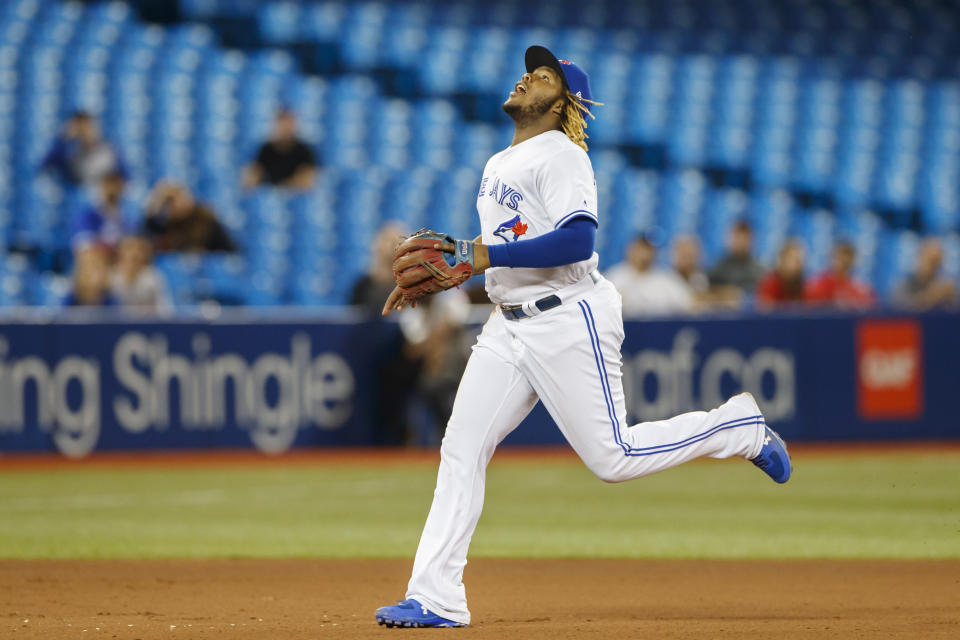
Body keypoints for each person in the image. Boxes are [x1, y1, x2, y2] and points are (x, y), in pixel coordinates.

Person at [374, 46, 791, 629]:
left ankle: (738, 427)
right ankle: (437, 596)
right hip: (507, 325)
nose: (526, 77)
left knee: (614, 457)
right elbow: (508, 251)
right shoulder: (499, 163)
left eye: (542, 76)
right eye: (528, 70)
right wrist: (450, 275)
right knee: (461, 448)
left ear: (562, 104)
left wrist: (480, 253)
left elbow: (578, 243)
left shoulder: (564, 155)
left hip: (568, 317)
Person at [604, 235, 695, 316]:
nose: (644, 254)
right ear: (630, 250)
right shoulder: (615, 276)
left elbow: (688, 301)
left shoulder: (664, 279)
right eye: (640, 249)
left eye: (647, 250)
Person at [142, 180, 235, 253]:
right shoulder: (160, 221)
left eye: (177, 198)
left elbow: (227, 250)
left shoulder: (204, 219)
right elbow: (144, 242)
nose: (174, 204)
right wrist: (155, 210)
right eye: (168, 201)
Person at [40, 111, 126, 188]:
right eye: (80, 128)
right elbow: (46, 165)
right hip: (72, 197)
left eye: (88, 127)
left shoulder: (108, 149)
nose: (84, 132)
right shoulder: (67, 151)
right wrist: (63, 139)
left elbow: (124, 175)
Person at [242, 109, 317, 190]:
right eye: (282, 124)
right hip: (269, 196)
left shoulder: (304, 150)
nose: (285, 128)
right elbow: (252, 177)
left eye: (288, 124)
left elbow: (307, 181)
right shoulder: (266, 150)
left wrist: (282, 186)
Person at [70, 170, 136, 255]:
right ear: (102, 187)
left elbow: (131, 240)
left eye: (116, 185)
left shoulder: (127, 213)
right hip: (97, 260)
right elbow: (83, 244)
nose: (112, 190)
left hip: (119, 260)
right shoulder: (89, 213)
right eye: (109, 185)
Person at [110, 235, 173, 313]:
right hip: (117, 321)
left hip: (147, 321)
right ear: (121, 252)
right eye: (129, 248)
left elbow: (164, 304)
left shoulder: (153, 275)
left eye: (138, 249)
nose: (134, 253)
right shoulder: (112, 275)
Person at [892, 238, 958, 310]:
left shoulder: (947, 287)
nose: (933, 266)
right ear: (919, 257)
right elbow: (900, 309)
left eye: (937, 261)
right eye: (930, 260)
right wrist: (932, 297)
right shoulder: (904, 285)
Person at [804, 241, 875, 309]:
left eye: (848, 256)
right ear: (831, 257)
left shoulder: (860, 289)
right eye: (839, 257)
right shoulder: (817, 287)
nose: (843, 261)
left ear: (853, 260)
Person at [709, 220, 766, 303]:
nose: (740, 242)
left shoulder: (759, 270)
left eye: (744, 237)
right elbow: (709, 291)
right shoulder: (719, 268)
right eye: (737, 237)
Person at [756, 240, 806, 308]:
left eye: (799, 260)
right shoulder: (769, 285)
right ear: (782, 260)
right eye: (792, 259)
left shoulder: (804, 286)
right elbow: (765, 312)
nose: (797, 264)